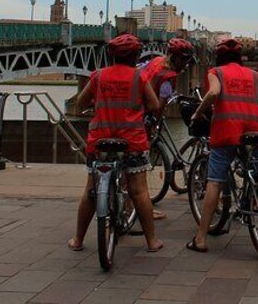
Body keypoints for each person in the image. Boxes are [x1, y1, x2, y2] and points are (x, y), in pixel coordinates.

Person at [68, 34, 163, 252]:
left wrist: (99, 104)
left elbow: (80, 102)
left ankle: (78, 240)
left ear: (111, 55)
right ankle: (151, 241)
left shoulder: (99, 76)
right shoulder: (139, 77)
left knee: (90, 190)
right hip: (131, 141)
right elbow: (154, 104)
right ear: (135, 56)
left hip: (100, 141)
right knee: (139, 191)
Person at [186, 38, 258, 252]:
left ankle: (200, 239)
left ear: (219, 57)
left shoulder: (216, 72)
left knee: (214, 182)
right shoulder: (254, 75)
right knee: (257, 177)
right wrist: (255, 111)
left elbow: (214, 92)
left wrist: (198, 113)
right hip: (254, 131)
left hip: (226, 132)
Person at [139, 37, 195, 219]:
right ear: (177, 58)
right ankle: (139, 207)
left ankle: (135, 205)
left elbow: (139, 72)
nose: (187, 65)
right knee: (139, 166)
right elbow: (159, 106)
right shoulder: (168, 77)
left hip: (133, 109)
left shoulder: (155, 61)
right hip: (143, 116)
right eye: (185, 60)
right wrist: (155, 123)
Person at [139, 37, 195, 115]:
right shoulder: (168, 78)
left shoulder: (157, 59)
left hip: (137, 105)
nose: (186, 63)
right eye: (184, 59)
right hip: (145, 113)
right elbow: (159, 109)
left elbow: (140, 70)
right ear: (175, 58)